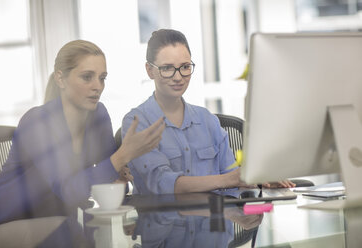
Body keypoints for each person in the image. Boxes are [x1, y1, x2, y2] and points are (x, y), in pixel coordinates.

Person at [0, 40, 165, 227]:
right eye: (87, 77)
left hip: (59, 222)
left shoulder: (98, 115)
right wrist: (122, 156)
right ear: (60, 78)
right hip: (6, 222)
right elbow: (69, 191)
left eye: (102, 78)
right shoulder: (37, 122)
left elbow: (112, 179)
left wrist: (122, 176)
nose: (98, 86)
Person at [121, 29, 295, 194]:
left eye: (185, 67)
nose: (177, 76)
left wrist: (257, 181)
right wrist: (229, 179)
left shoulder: (207, 120)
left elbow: (233, 180)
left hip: (213, 222)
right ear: (149, 70)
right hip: (162, 222)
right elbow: (161, 183)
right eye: (167, 68)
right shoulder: (137, 122)